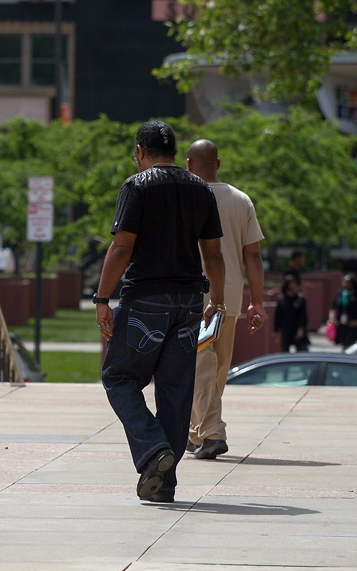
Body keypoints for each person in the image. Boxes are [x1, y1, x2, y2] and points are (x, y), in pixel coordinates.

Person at [94, 120, 225, 504]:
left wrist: (102, 299)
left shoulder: (137, 186)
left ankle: (153, 448)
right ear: (174, 150)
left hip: (145, 301)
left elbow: (121, 248)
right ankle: (163, 483)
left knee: (118, 377)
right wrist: (216, 301)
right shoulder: (202, 189)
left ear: (140, 150)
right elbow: (213, 254)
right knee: (176, 392)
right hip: (189, 303)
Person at [185, 139, 266, 461]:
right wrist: (256, 302)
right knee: (216, 367)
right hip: (230, 294)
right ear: (217, 164)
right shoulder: (241, 200)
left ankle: (213, 432)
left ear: (189, 164)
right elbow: (254, 255)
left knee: (202, 365)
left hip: (195, 293)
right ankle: (198, 432)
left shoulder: (187, 198)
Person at [328, 274, 357, 348]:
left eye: (348, 282)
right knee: (343, 344)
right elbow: (333, 307)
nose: (345, 284)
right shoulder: (339, 293)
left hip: (353, 325)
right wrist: (332, 318)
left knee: (352, 345)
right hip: (341, 324)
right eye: (344, 282)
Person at [273, 275, 309, 352]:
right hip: (286, 329)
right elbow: (278, 316)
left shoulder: (300, 298)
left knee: (300, 351)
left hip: (297, 328)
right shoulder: (281, 299)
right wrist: (276, 330)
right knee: (285, 351)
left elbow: (303, 315)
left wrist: (301, 328)